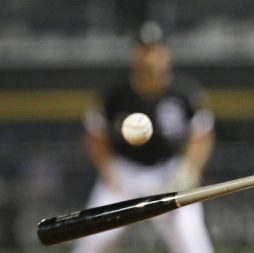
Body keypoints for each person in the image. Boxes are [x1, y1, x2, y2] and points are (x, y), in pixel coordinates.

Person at [72, 38, 216, 253]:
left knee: (195, 245)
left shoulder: (183, 92)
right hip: (124, 174)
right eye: (145, 50)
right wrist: (107, 168)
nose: (150, 58)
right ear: (135, 56)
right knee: (90, 244)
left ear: (167, 55)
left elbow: (202, 134)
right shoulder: (116, 93)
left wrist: (190, 167)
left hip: (169, 176)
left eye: (155, 51)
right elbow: (94, 134)